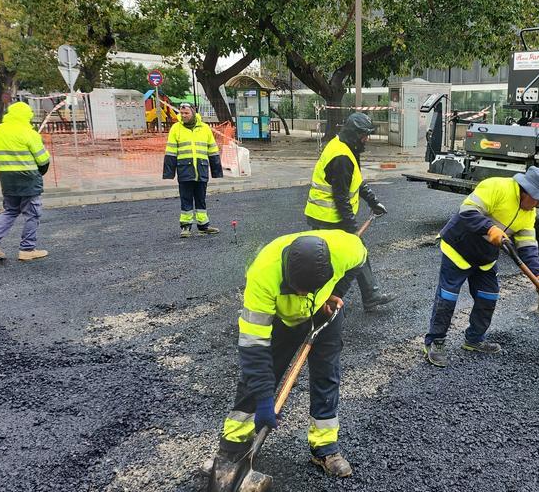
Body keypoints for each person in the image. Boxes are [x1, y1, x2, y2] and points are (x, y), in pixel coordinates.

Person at [214, 230, 367, 477]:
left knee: (327, 374)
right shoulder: (263, 274)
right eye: (297, 289)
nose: (301, 295)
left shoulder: (346, 249)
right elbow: (254, 349)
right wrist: (265, 399)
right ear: (287, 274)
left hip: (322, 312)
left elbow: (361, 259)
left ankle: (325, 447)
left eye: (308, 289)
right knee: (260, 373)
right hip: (282, 319)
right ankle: (232, 445)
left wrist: (337, 291)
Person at [423, 166, 539, 368]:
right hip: (458, 247)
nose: (537, 203)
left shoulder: (529, 212)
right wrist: (490, 227)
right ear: (524, 189)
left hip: (485, 256)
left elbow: (527, 246)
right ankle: (435, 342)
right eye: (536, 197)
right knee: (448, 297)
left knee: (488, 295)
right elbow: (467, 212)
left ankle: (474, 340)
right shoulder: (496, 186)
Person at [304, 112, 396, 312]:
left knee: (342, 256)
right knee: (353, 253)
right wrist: (352, 229)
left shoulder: (343, 146)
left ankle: (365, 296)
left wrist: (373, 201)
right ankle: (324, 302)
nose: (367, 139)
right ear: (355, 135)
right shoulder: (342, 157)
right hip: (327, 217)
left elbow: (356, 182)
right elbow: (341, 198)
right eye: (364, 135)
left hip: (324, 216)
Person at [0, 102, 51, 261]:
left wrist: (8, 164)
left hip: (6, 177)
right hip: (28, 178)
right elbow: (43, 159)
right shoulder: (29, 133)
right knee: (33, 213)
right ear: (26, 116)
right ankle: (27, 249)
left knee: (10, 210)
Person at [163, 103, 222, 237]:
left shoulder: (205, 128)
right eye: (181, 113)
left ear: (193, 113)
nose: (183, 116)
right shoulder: (176, 128)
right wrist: (169, 172)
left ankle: (203, 226)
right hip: (185, 169)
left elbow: (212, 149)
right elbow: (171, 151)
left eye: (186, 113)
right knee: (186, 199)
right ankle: (186, 227)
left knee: (201, 199)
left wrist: (216, 170)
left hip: (201, 169)